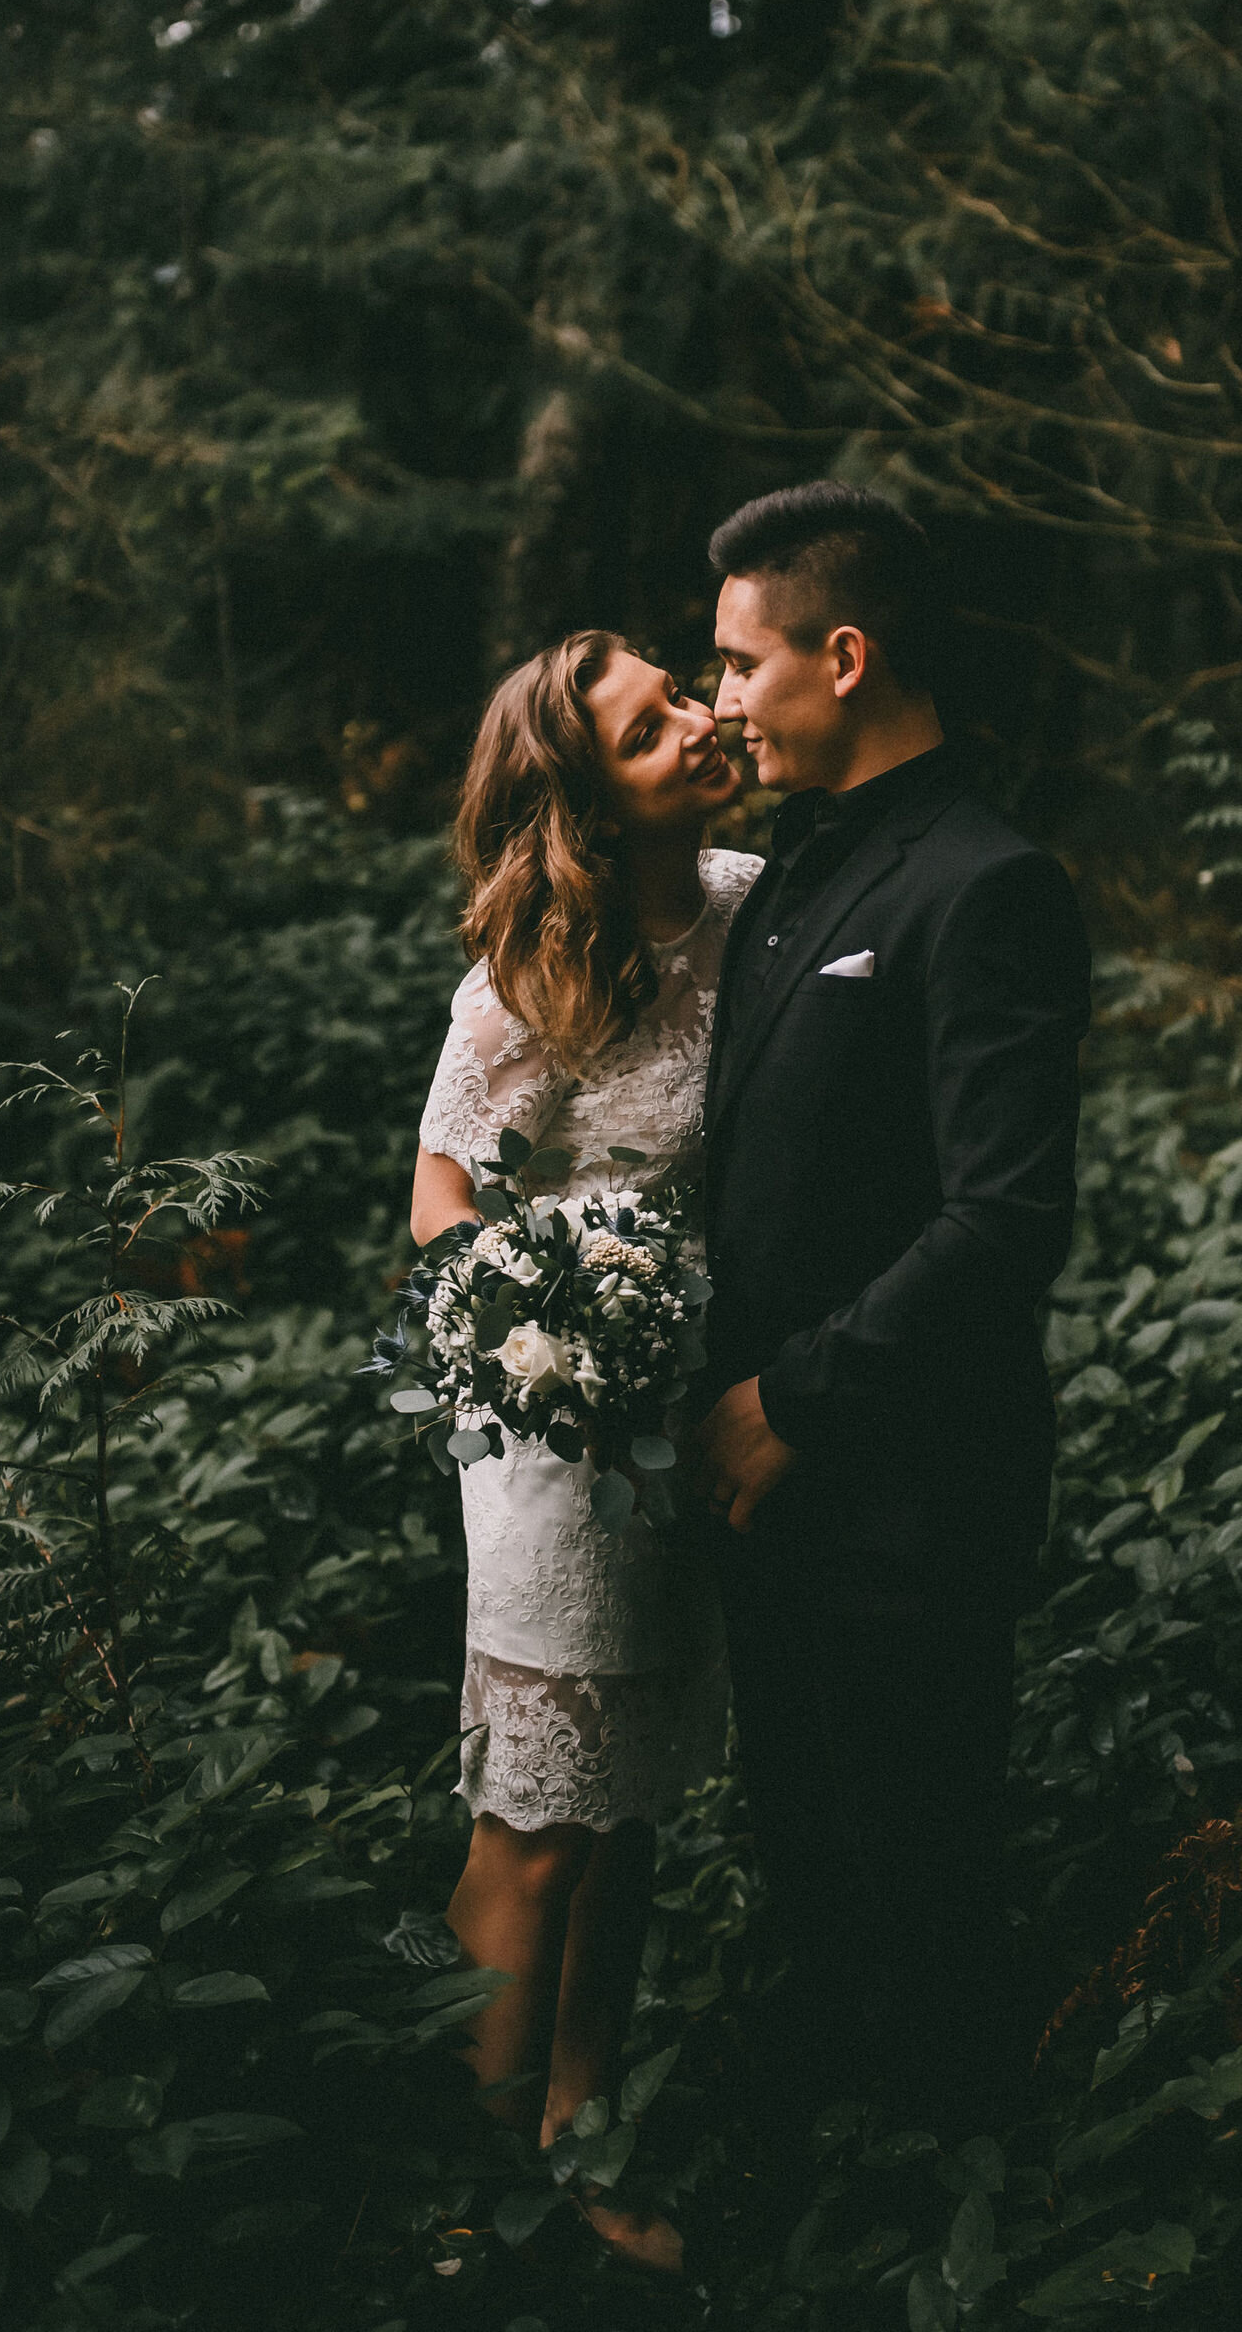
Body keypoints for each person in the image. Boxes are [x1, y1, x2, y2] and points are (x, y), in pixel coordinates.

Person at [690, 482, 1092, 2133]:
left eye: (737, 664)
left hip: (905, 1501)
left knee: (920, 1911)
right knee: (811, 1888)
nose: (719, 700)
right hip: (765, 1504)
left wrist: (794, 1402)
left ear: (842, 656)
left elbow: (1004, 1222)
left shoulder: (986, 883)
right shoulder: (784, 877)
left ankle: (964, 2226)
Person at [410, 631, 760, 2278]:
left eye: (684, 694)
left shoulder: (757, 911)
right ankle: (472, 2205)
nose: (699, 721)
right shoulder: (533, 973)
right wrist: (529, 1339)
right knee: (539, 1822)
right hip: (552, 1436)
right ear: (589, 806)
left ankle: (581, 2127)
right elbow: (443, 1195)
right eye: (649, 728)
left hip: (689, 1423)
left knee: (627, 1813)